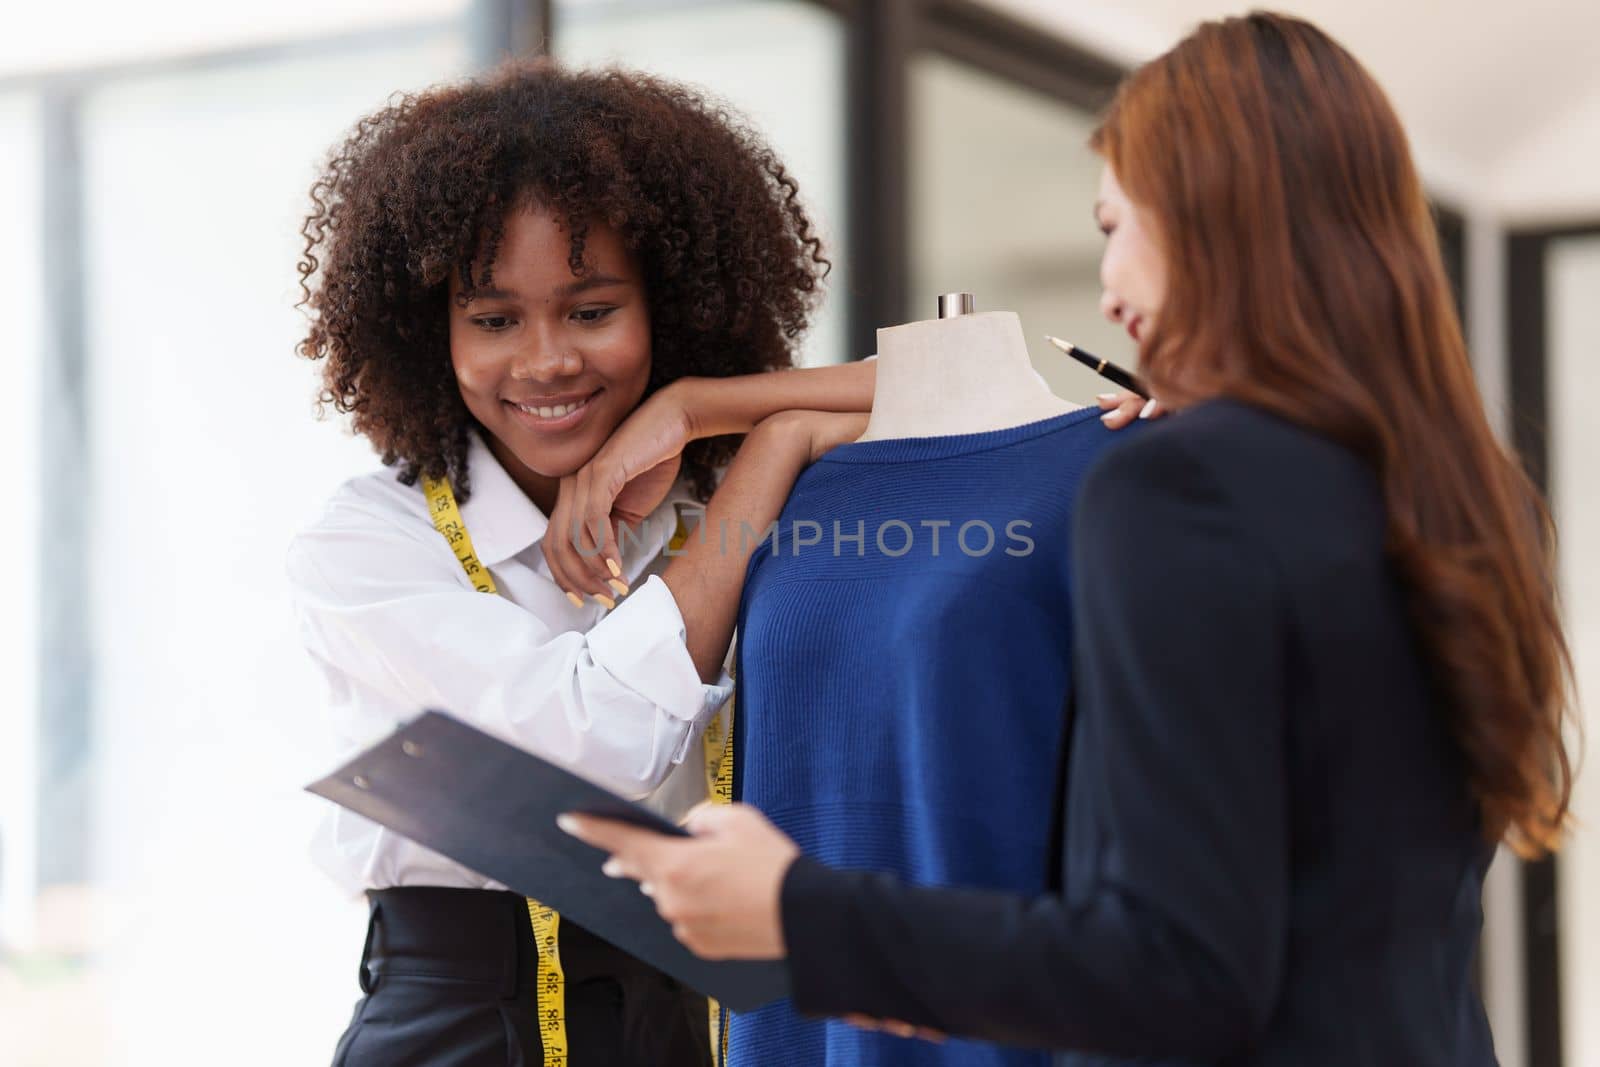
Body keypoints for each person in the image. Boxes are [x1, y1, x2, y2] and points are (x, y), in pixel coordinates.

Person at [563, 12, 1576, 1066]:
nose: (1107, 289)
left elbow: (1170, 971)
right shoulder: (1460, 497)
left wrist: (801, 913)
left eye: (1112, 225)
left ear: (1205, 221)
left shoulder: (1176, 485)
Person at [286, 58, 889, 1067]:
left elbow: (968, 396)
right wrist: (770, 450)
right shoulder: (370, 545)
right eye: (492, 319)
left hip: (695, 1009)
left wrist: (701, 408)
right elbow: (597, 745)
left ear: (673, 305)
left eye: (591, 309)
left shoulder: (695, 504)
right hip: (463, 1015)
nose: (547, 358)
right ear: (427, 331)